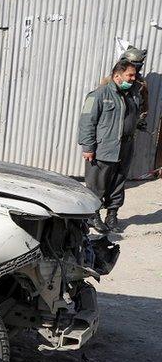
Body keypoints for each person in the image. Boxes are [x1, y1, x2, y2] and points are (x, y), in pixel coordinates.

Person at [79, 59, 142, 233]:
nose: (132, 79)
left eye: (134, 75)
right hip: (103, 148)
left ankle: (112, 215)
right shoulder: (98, 95)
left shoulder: (133, 94)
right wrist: (88, 147)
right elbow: (86, 122)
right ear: (117, 76)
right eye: (129, 75)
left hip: (125, 147)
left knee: (118, 184)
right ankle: (93, 216)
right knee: (96, 185)